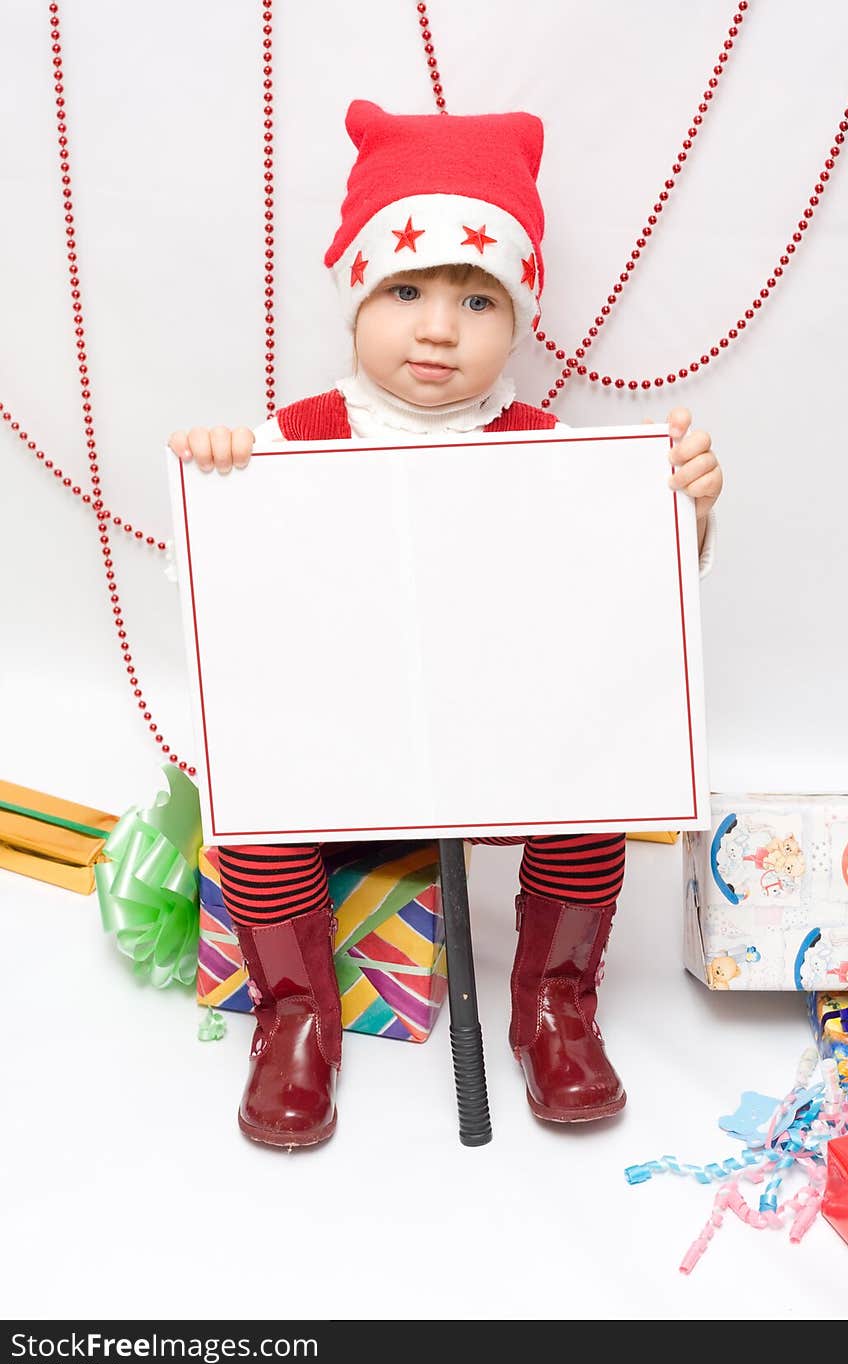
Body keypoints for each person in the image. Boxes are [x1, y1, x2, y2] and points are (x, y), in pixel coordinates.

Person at [169, 99, 723, 1150]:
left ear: (515, 322)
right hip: (342, 742)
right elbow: (237, 593)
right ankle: (296, 1014)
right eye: (407, 289)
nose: (437, 326)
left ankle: (554, 1005)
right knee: (250, 808)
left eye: (477, 298)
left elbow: (631, 597)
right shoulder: (295, 434)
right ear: (354, 301)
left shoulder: (548, 446)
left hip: (497, 740)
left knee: (590, 795)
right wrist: (219, 470)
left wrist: (679, 509)